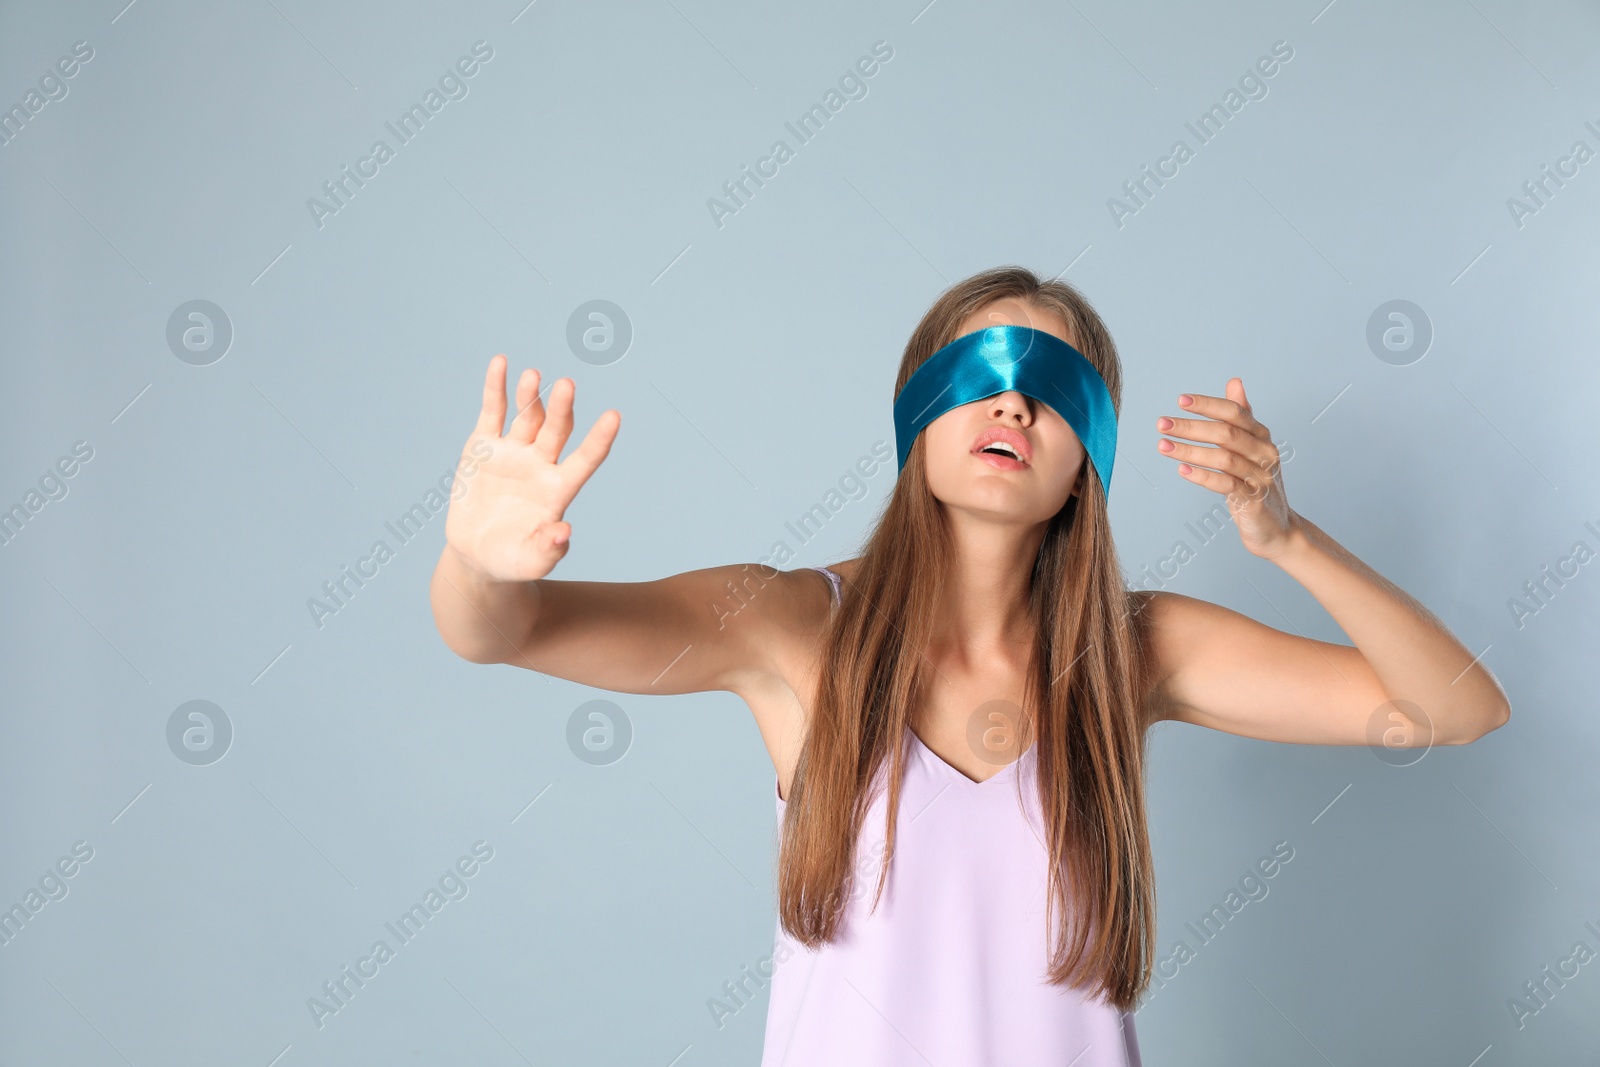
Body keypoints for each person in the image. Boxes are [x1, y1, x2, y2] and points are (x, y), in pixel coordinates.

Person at [429, 265, 1509, 1066]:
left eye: (1053, 384)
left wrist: (1286, 539)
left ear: (1090, 451)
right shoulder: (788, 625)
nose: (1013, 401)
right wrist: (476, 564)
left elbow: (1454, 709)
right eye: (980, 371)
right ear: (917, 410)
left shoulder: (1135, 650)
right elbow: (500, 632)